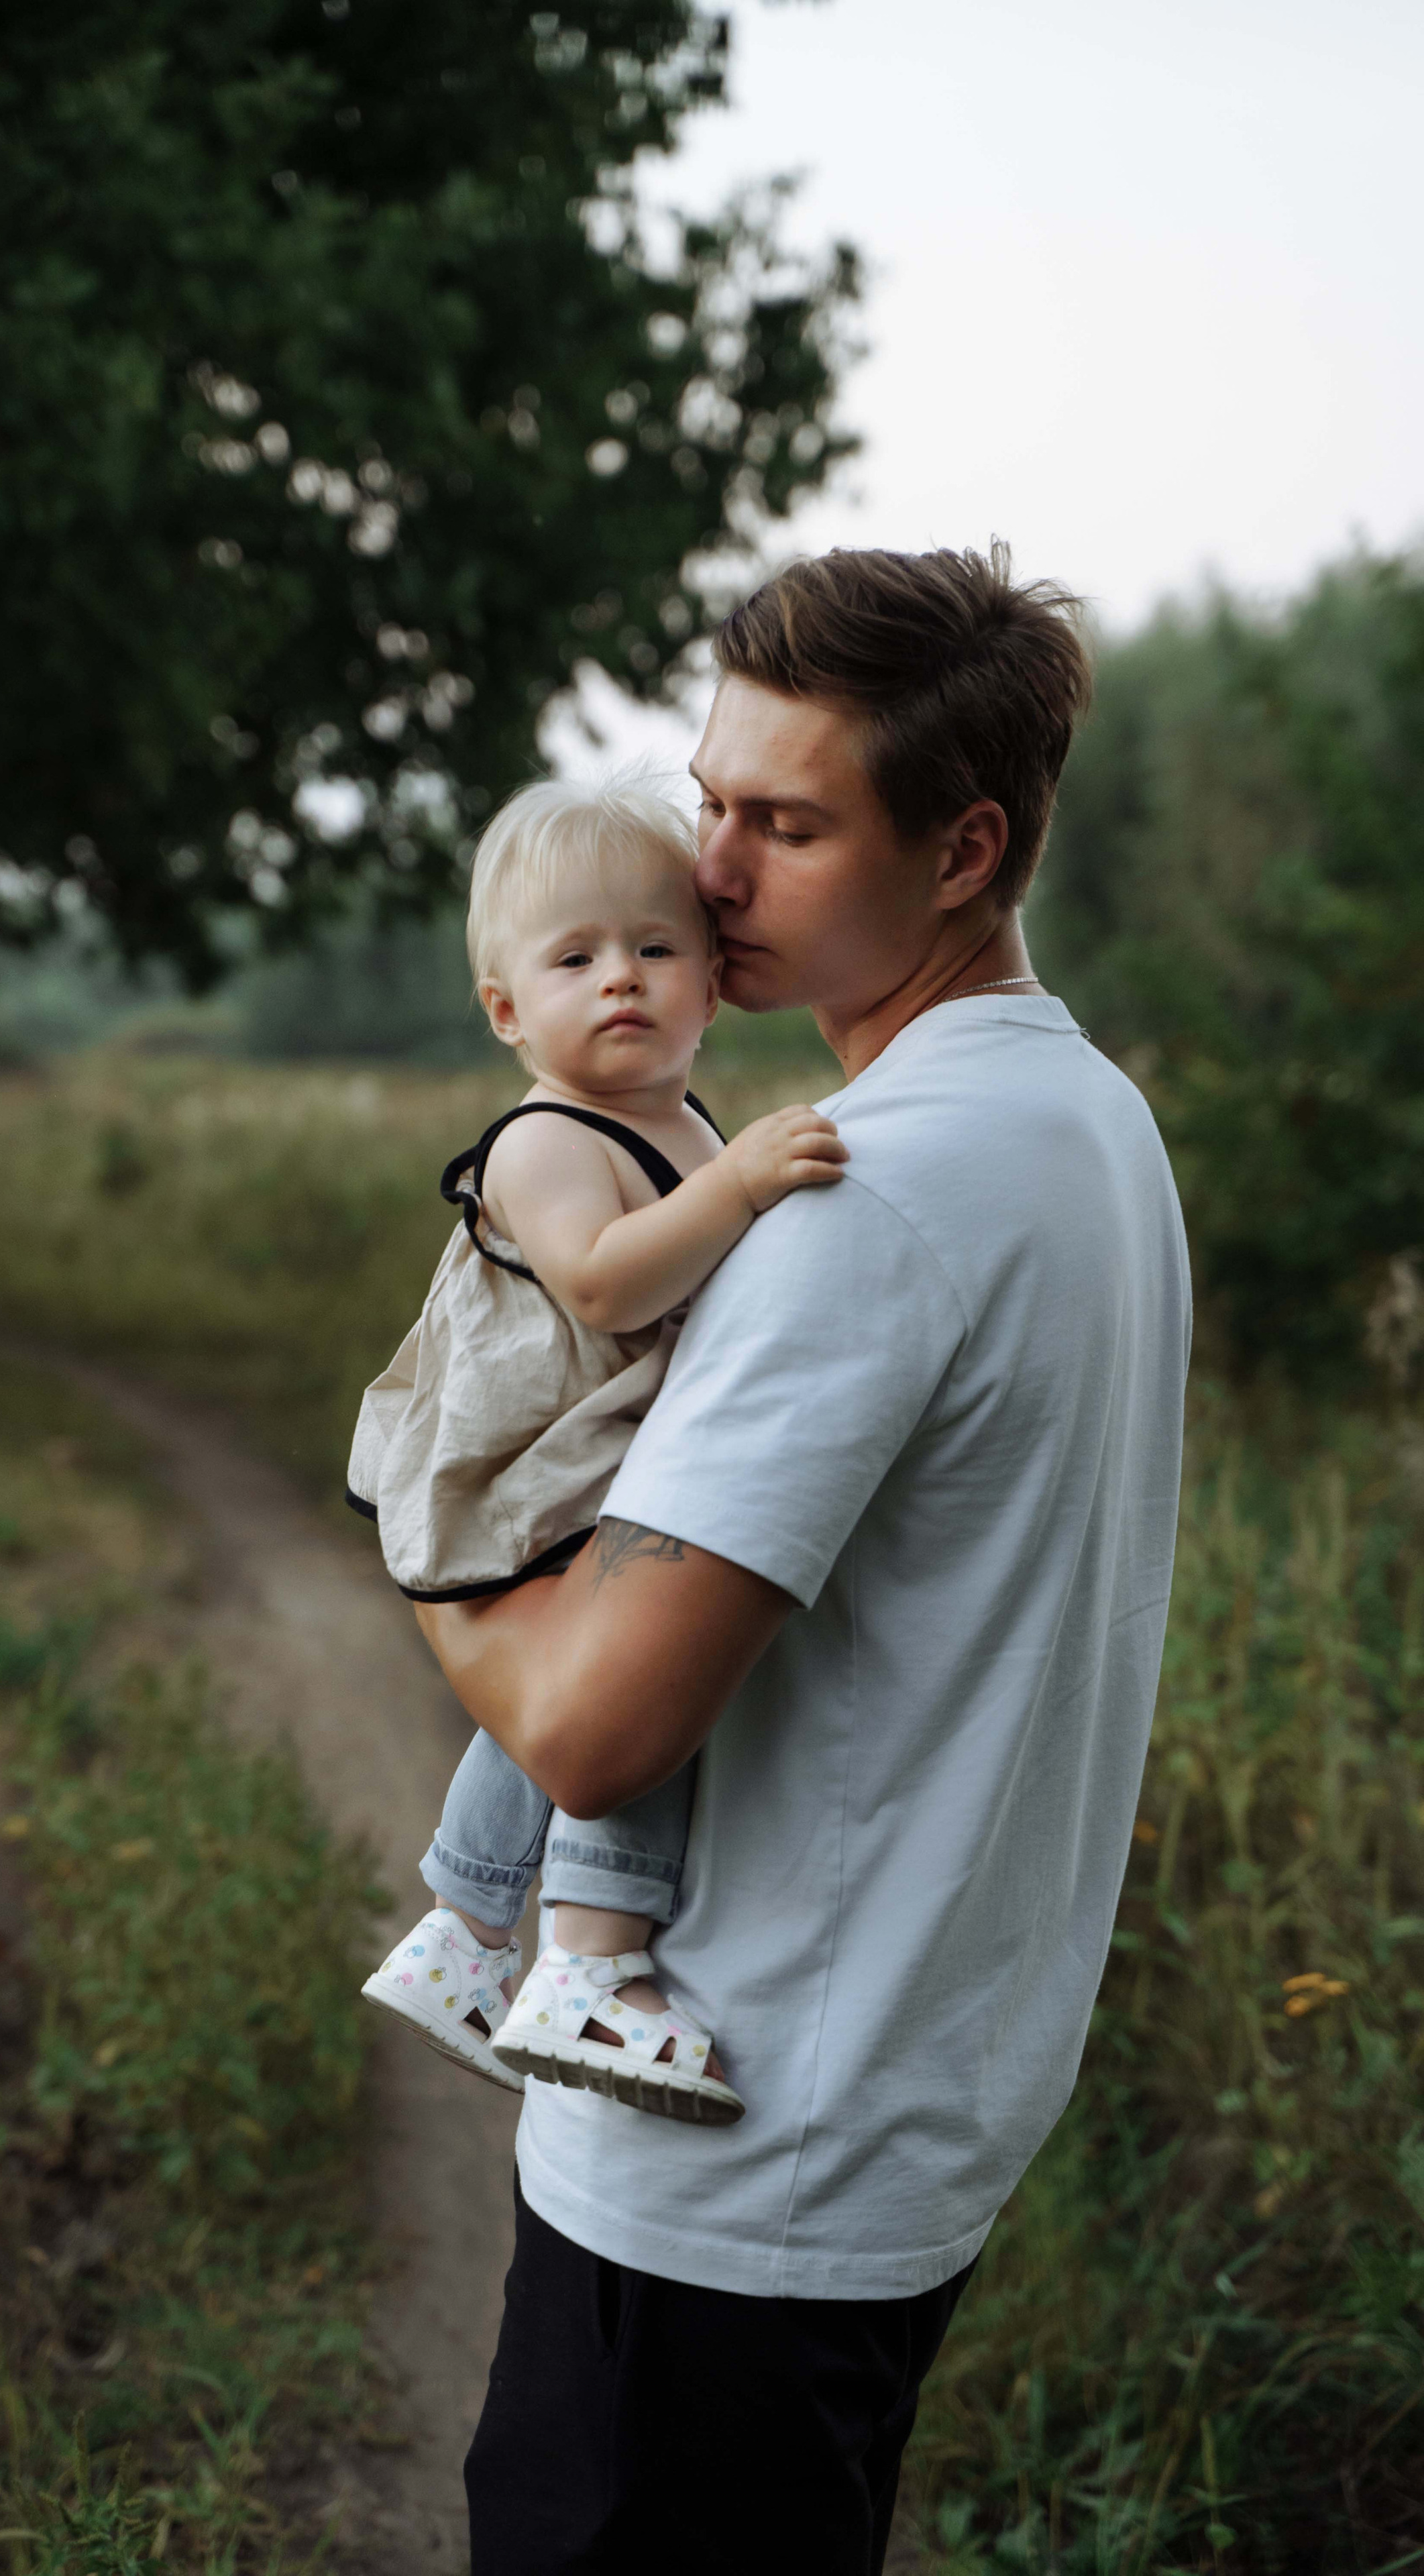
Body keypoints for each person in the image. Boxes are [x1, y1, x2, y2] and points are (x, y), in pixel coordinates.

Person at [411, 545, 1192, 2574]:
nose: (716, 871)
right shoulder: (1091, 1125)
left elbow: (590, 1729)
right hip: (910, 2107)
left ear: (967, 851)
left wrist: (430, 1552)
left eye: (789, 821)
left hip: (733, 2149)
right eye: (712, 800)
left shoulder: (857, 1202)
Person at [351, 776, 846, 2123]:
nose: (619, 980)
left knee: (568, 1698)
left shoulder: (681, 1123)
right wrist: (740, 1186)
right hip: (532, 1465)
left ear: (711, 978)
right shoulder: (544, 1141)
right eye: (574, 958)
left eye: (653, 947)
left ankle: (460, 1924)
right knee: (638, 1687)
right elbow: (598, 1286)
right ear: (509, 1011)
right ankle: (590, 1953)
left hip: (600, 1457)